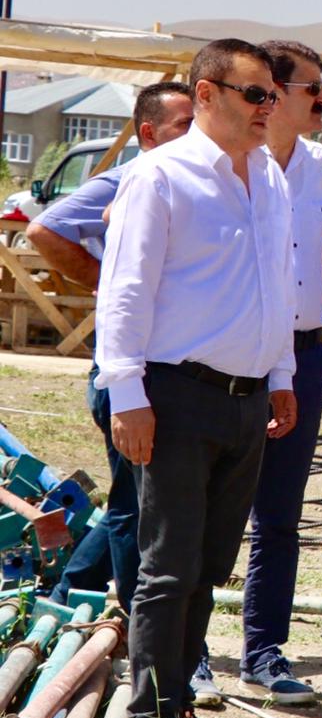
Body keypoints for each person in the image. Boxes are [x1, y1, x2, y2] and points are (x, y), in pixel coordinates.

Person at [96, 38, 298, 718]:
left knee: (209, 564)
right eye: (255, 95)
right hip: (176, 392)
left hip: (246, 400)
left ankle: (180, 709)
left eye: (272, 95)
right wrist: (127, 393)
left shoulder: (268, 176)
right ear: (206, 95)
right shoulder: (161, 176)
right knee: (168, 565)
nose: (267, 108)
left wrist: (281, 372)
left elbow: (279, 280)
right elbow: (125, 289)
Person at [34, 81, 193, 611]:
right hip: (127, 369)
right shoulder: (129, 179)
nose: (196, 135)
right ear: (148, 133)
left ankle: (70, 589)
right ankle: (130, 612)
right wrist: (107, 278)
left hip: (167, 368)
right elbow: (44, 230)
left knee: (132, 498)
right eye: (183, 126)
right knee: (135, 504)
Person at [229, 39, 322, 707]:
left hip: (301, 354)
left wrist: (314, 308)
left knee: (280, 515)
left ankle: (263, 650)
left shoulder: (321, 166)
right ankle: (185, 656)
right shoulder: (226, 165)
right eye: (312, 89)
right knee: (209, 510)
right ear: (272, 93)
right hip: (228, 360)